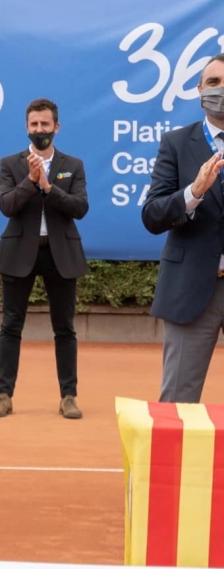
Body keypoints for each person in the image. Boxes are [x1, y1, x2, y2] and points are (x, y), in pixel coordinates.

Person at [0, 98, 89, 420]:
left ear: (56, 127)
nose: (39, 130)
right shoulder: (10, 164)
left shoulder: (73, 164)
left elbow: (79, 208)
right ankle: (4, 395)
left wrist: (49, 188)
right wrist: (31, 182)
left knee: (65, 328)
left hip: (61, 254)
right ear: (26, 127)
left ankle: (68, 397)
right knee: (11, 326)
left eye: (45, 125)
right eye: (34, 125)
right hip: (19, 254)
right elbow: (6, 206)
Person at [142, 53, 224, 403]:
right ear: (198, 89)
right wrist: (194, 193)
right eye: (214, 83)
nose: (220, 90)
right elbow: (152, 215)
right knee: (177, 403)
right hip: (191, 290)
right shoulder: (175, 143)